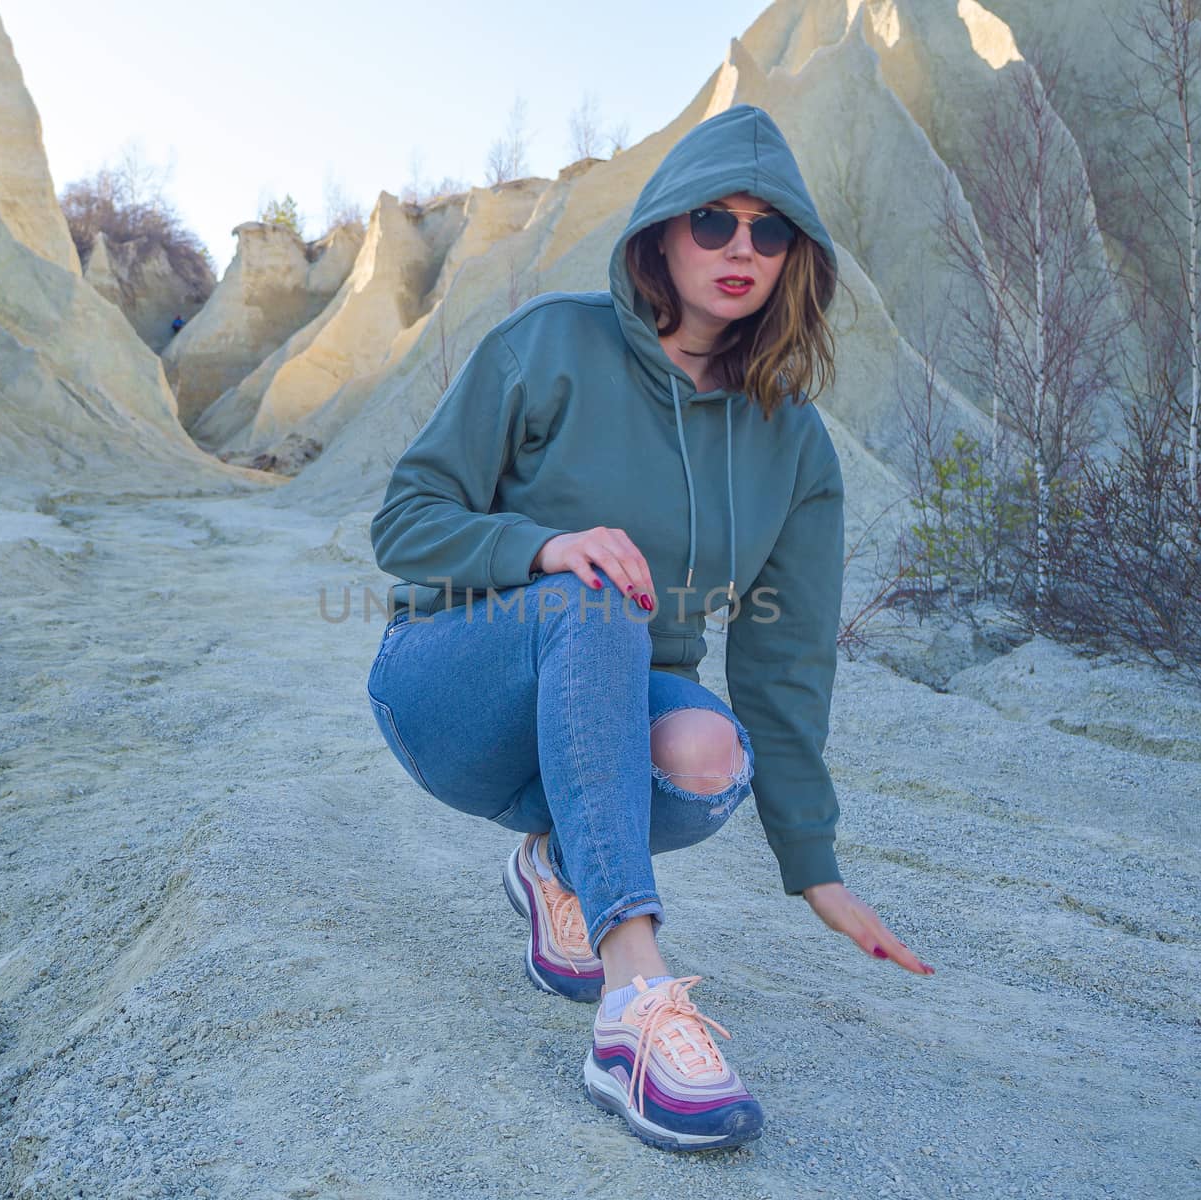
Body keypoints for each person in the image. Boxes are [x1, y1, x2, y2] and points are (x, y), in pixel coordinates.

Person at [367, 103, 935, 1154]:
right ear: (663, 233)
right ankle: (633, 1005)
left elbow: (786, 659)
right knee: (595, 591)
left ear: (792, 258)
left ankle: (558, 868)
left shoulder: (793, 443)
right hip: (450, 682)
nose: (739, 250)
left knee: (713, 753)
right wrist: (542, 548)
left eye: (769, 233)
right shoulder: (552, 343)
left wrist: (813, 864)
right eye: (712, 222)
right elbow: (404, 522)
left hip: (602, 712)